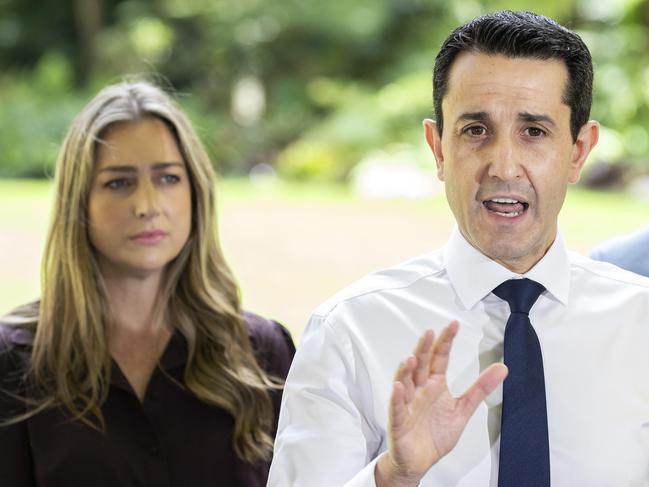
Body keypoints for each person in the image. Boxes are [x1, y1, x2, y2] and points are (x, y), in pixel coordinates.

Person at [268, 11, 649, 487]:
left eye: (534, 131)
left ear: (577, 151)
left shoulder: (641, 324)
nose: (504, 166)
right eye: (475, 131)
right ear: (438, 148)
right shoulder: (351, 331)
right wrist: (394, 475)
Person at [0, 80, 295, 487]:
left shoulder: (260, 351)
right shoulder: (13, 361)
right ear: (79, 201)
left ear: (196, 192)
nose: (147, 206)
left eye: (168, 178)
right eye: (119, 183)